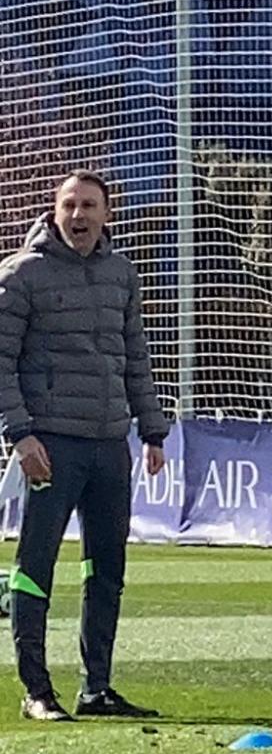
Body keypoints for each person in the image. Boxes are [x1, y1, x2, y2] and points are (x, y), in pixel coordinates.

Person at [0, 171, 169, 721]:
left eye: (89, 205)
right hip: (50, 443)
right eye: (69, 205)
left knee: (106, 570)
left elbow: (136, 356)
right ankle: (36, 691)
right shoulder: (22, 274)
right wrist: (20, 434)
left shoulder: (122, 274)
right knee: (35, 567)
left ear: (106, 213)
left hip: (108, 445)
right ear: (54, 212)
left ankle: (96, 689)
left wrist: (151, 430)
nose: (78, 215)